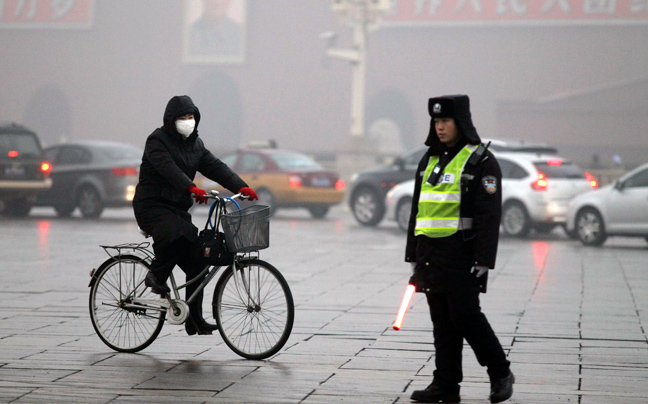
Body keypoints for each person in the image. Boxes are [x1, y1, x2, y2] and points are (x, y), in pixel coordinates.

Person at [405, 95, 514, 403]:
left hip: (462, 252)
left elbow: (488, 214)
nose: (440, 127)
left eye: (445, 122)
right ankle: (446, 383)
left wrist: (483, 259)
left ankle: (501, 372)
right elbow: (418, 209)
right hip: (430, 253)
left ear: (460, 123)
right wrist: (413, 253)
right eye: (436, 122)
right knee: (441, 320)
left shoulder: (480, 160)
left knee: (465, 316)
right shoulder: (429, 159)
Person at [133, 95, 257, 336]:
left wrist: (240, 186)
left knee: (198, 258)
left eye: (191, 117)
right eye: (182, 118)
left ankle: (195, 319)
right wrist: (190, 187)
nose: (188, 121)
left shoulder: (195, 144)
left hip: (177, 208)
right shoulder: (157, 141)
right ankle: (156, 275)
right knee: (180, 232)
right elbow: (168, 169)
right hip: (151, 206)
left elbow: (215, 166)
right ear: (171, 120)